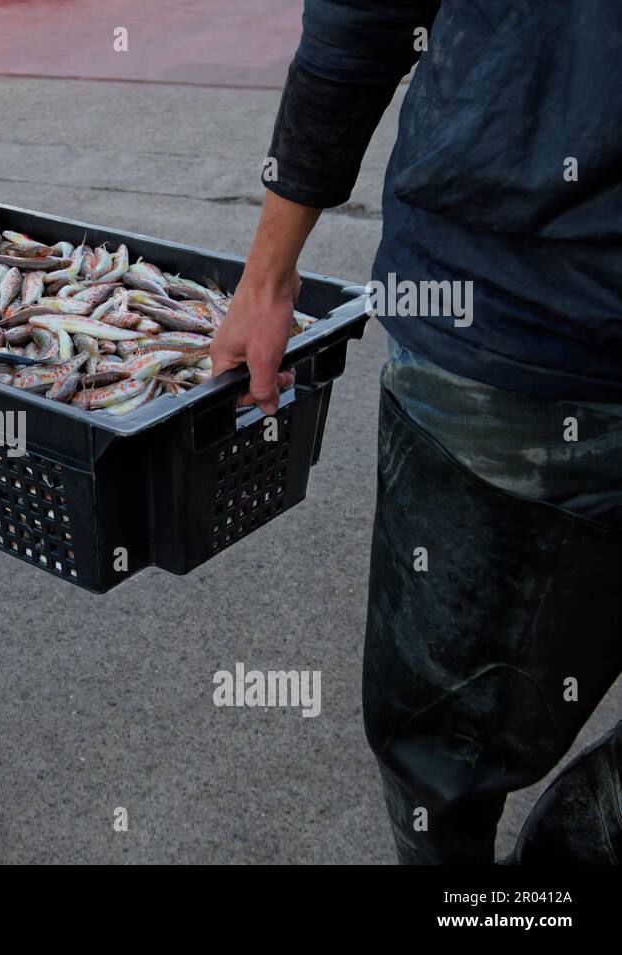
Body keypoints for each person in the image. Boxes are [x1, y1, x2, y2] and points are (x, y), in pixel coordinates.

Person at [212, 0, 621, 863]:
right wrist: (265, 281)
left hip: (504, 317)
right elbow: (363, 20)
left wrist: (268, 276)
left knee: (444, 758)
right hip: (511, 326)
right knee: (440, 755)